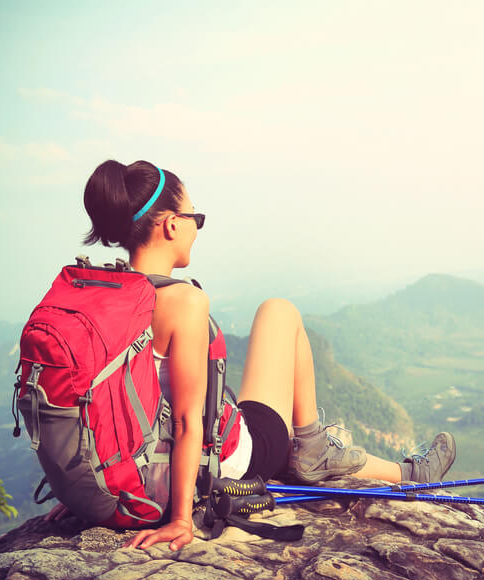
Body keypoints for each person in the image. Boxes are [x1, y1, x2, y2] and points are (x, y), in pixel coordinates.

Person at [73, 159, 456, 551]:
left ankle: (377, 465)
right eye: (195, 217)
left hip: (131, 472)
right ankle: (321, 450)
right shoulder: (181, 301)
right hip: (237, 458)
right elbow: (189, 421)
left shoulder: (100, 296)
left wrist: (87, 494)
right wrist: (182, 520)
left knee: (287, 406)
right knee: (279, 311)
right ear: (172, 224)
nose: (196, 228)